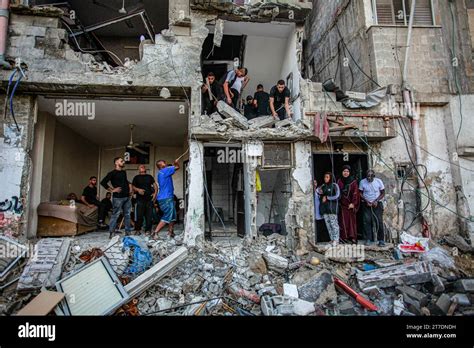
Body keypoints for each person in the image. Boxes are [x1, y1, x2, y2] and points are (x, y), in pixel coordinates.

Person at [100, 157, 133, 238]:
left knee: (127, 215)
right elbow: (103, 182)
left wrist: (130, 190)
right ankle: (112, 233)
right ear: (116, 163)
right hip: (118, 198)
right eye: (121, 161)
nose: (123, 162)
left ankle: (128, 232)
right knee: (116, 214)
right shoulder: (112, 173)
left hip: (126, 197)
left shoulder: (124, 172)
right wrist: (112, 190)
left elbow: (125, 182)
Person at [153, 158, 180, 238]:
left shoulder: (161, 173)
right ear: (161, 165)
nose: (166, 163)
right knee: (168, 215)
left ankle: (170, 232)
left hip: (167, 197)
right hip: (166, 198)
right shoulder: (164, 171)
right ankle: (155, 232)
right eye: (164, 162)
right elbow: (177, 167)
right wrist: (175, 162)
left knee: (173, 216)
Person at [359, 169, 386, 246]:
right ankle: (368, 239)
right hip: (366, 204)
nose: (369, 178)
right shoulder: (362, 182)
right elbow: (360, 193)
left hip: (377, 203)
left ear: (374, 176)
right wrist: (366, 201)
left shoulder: (378, 181)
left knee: (379, 221)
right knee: (367, 221)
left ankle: (381, 240)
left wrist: (376, 200)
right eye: (368, 176)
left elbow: (383, 192)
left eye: (371, 176)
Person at [337, 165, 360, 244]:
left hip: (350, 205)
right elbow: (337, 191)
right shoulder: (339, 181)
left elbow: (355, 193)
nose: (345, 173)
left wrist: (353, 203)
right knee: (343, 222)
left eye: (347, 171)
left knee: (351, 222)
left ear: (349, 172)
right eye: (344, 171)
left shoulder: (353, 182)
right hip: (342, 205)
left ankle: (353, 237)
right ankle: (344, 237)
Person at [132, 165, 157, 235]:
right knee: (139, 215)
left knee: (149, 216)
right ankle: (138, 230)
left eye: (143, 166)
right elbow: (133, 186)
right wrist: (138, 189)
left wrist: (155, 194)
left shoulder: (149, 177)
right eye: (141, 167)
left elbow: (155, 186)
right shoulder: (136, 177)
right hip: (139, 199)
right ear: (138, 169)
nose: (143, 167)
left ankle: (148, 230)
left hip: (149, 199)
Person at [318, 172, 340, 246]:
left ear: (330, 178)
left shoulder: (334, 185)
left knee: (334, 224)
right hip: (325, 209)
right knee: (328, 225)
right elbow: (318, 192)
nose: (325, 178)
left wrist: (327, 198)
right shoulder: (323, 186)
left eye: (327, 177)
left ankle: (336, 240)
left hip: (332, 208)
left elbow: (338, 195)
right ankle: (332, 239)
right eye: (325, 177)